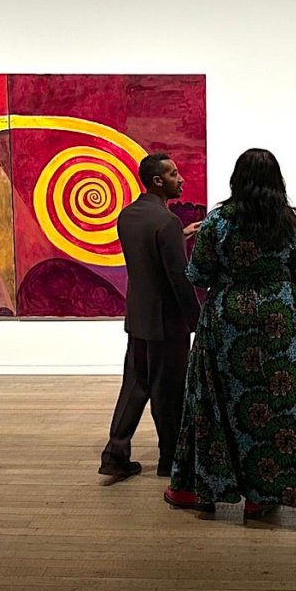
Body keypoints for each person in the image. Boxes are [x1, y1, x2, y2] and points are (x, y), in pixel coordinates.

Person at [164, 148, 296, 518]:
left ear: (236, 180)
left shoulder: (218, 223)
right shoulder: (290, 225)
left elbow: (198, 274)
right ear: (277, 181)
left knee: (218, 402)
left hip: (228, 320)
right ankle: (265, 495)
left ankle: (204, 488)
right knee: (281, 403)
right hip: (280, 321)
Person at [99, 153, 202, 481]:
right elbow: (179, 278)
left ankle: (115, 455)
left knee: (134, 386)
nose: (180, 178)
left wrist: (179, 235)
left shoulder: (128, 216)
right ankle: (169, 460)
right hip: (166, 324)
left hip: (139, 319)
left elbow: (147, 253)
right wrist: (197, 321)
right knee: (168, 394)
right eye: (173, 174)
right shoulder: (166, 222)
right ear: (157, 181)